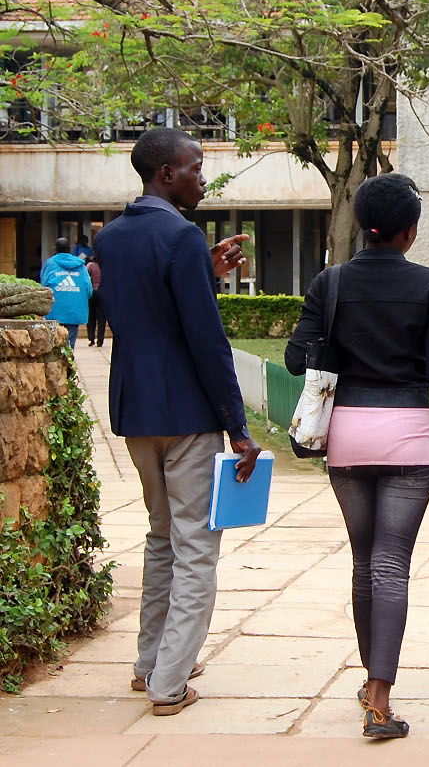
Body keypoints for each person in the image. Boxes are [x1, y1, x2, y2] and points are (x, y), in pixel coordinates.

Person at [286, 173, 429, 739]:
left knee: (365, 563)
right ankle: (380, 702)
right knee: (391, 564)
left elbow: (295, 359)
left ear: (365, 227)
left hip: (347, 436)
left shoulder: (330, 282)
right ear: (409, 231)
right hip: (408, 434)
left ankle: (370, 685)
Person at [93, 127, 261, 716]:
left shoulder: (109, 239)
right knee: (197, 548)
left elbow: (143, 311)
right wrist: (237, 426)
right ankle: (170, 683)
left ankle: (149, 665)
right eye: (194, 167)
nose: (201, 177)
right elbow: (204, 338)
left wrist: (203, 273)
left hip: (136, 412)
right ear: (165, 173)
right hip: (188, 414)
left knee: (162, 537)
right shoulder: (182, 235)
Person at [40, 237, 92, 347]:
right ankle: (68, 362)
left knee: (55, 343)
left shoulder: (50, 264)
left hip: (55, 310)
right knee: (70, 344)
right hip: (75, 310)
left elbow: (43, 286)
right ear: (70, 249)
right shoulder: (80, 265)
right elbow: (88, 289)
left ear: (55, 248)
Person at [85, 250, 106, 347]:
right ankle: (100, 340)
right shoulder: (105, 266)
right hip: (103, 292)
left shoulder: (90, 266)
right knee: (101, 318)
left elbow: (86, 277)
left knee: (91, 316)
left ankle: (91, 338)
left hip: (92, 292)